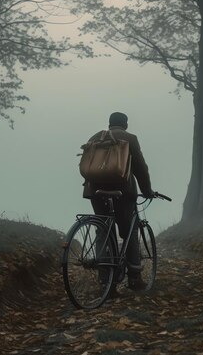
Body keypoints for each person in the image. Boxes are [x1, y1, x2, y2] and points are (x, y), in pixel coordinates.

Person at [82, 112, 154, 292]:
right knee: (128, 229)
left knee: (103, 229)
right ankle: (135, 278)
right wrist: (147, 190)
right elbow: (140, 167)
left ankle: (106, 281)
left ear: (109, 124)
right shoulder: (130, 138)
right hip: (122, 191)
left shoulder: (94, 137)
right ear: (126, 125)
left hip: (95, 190)